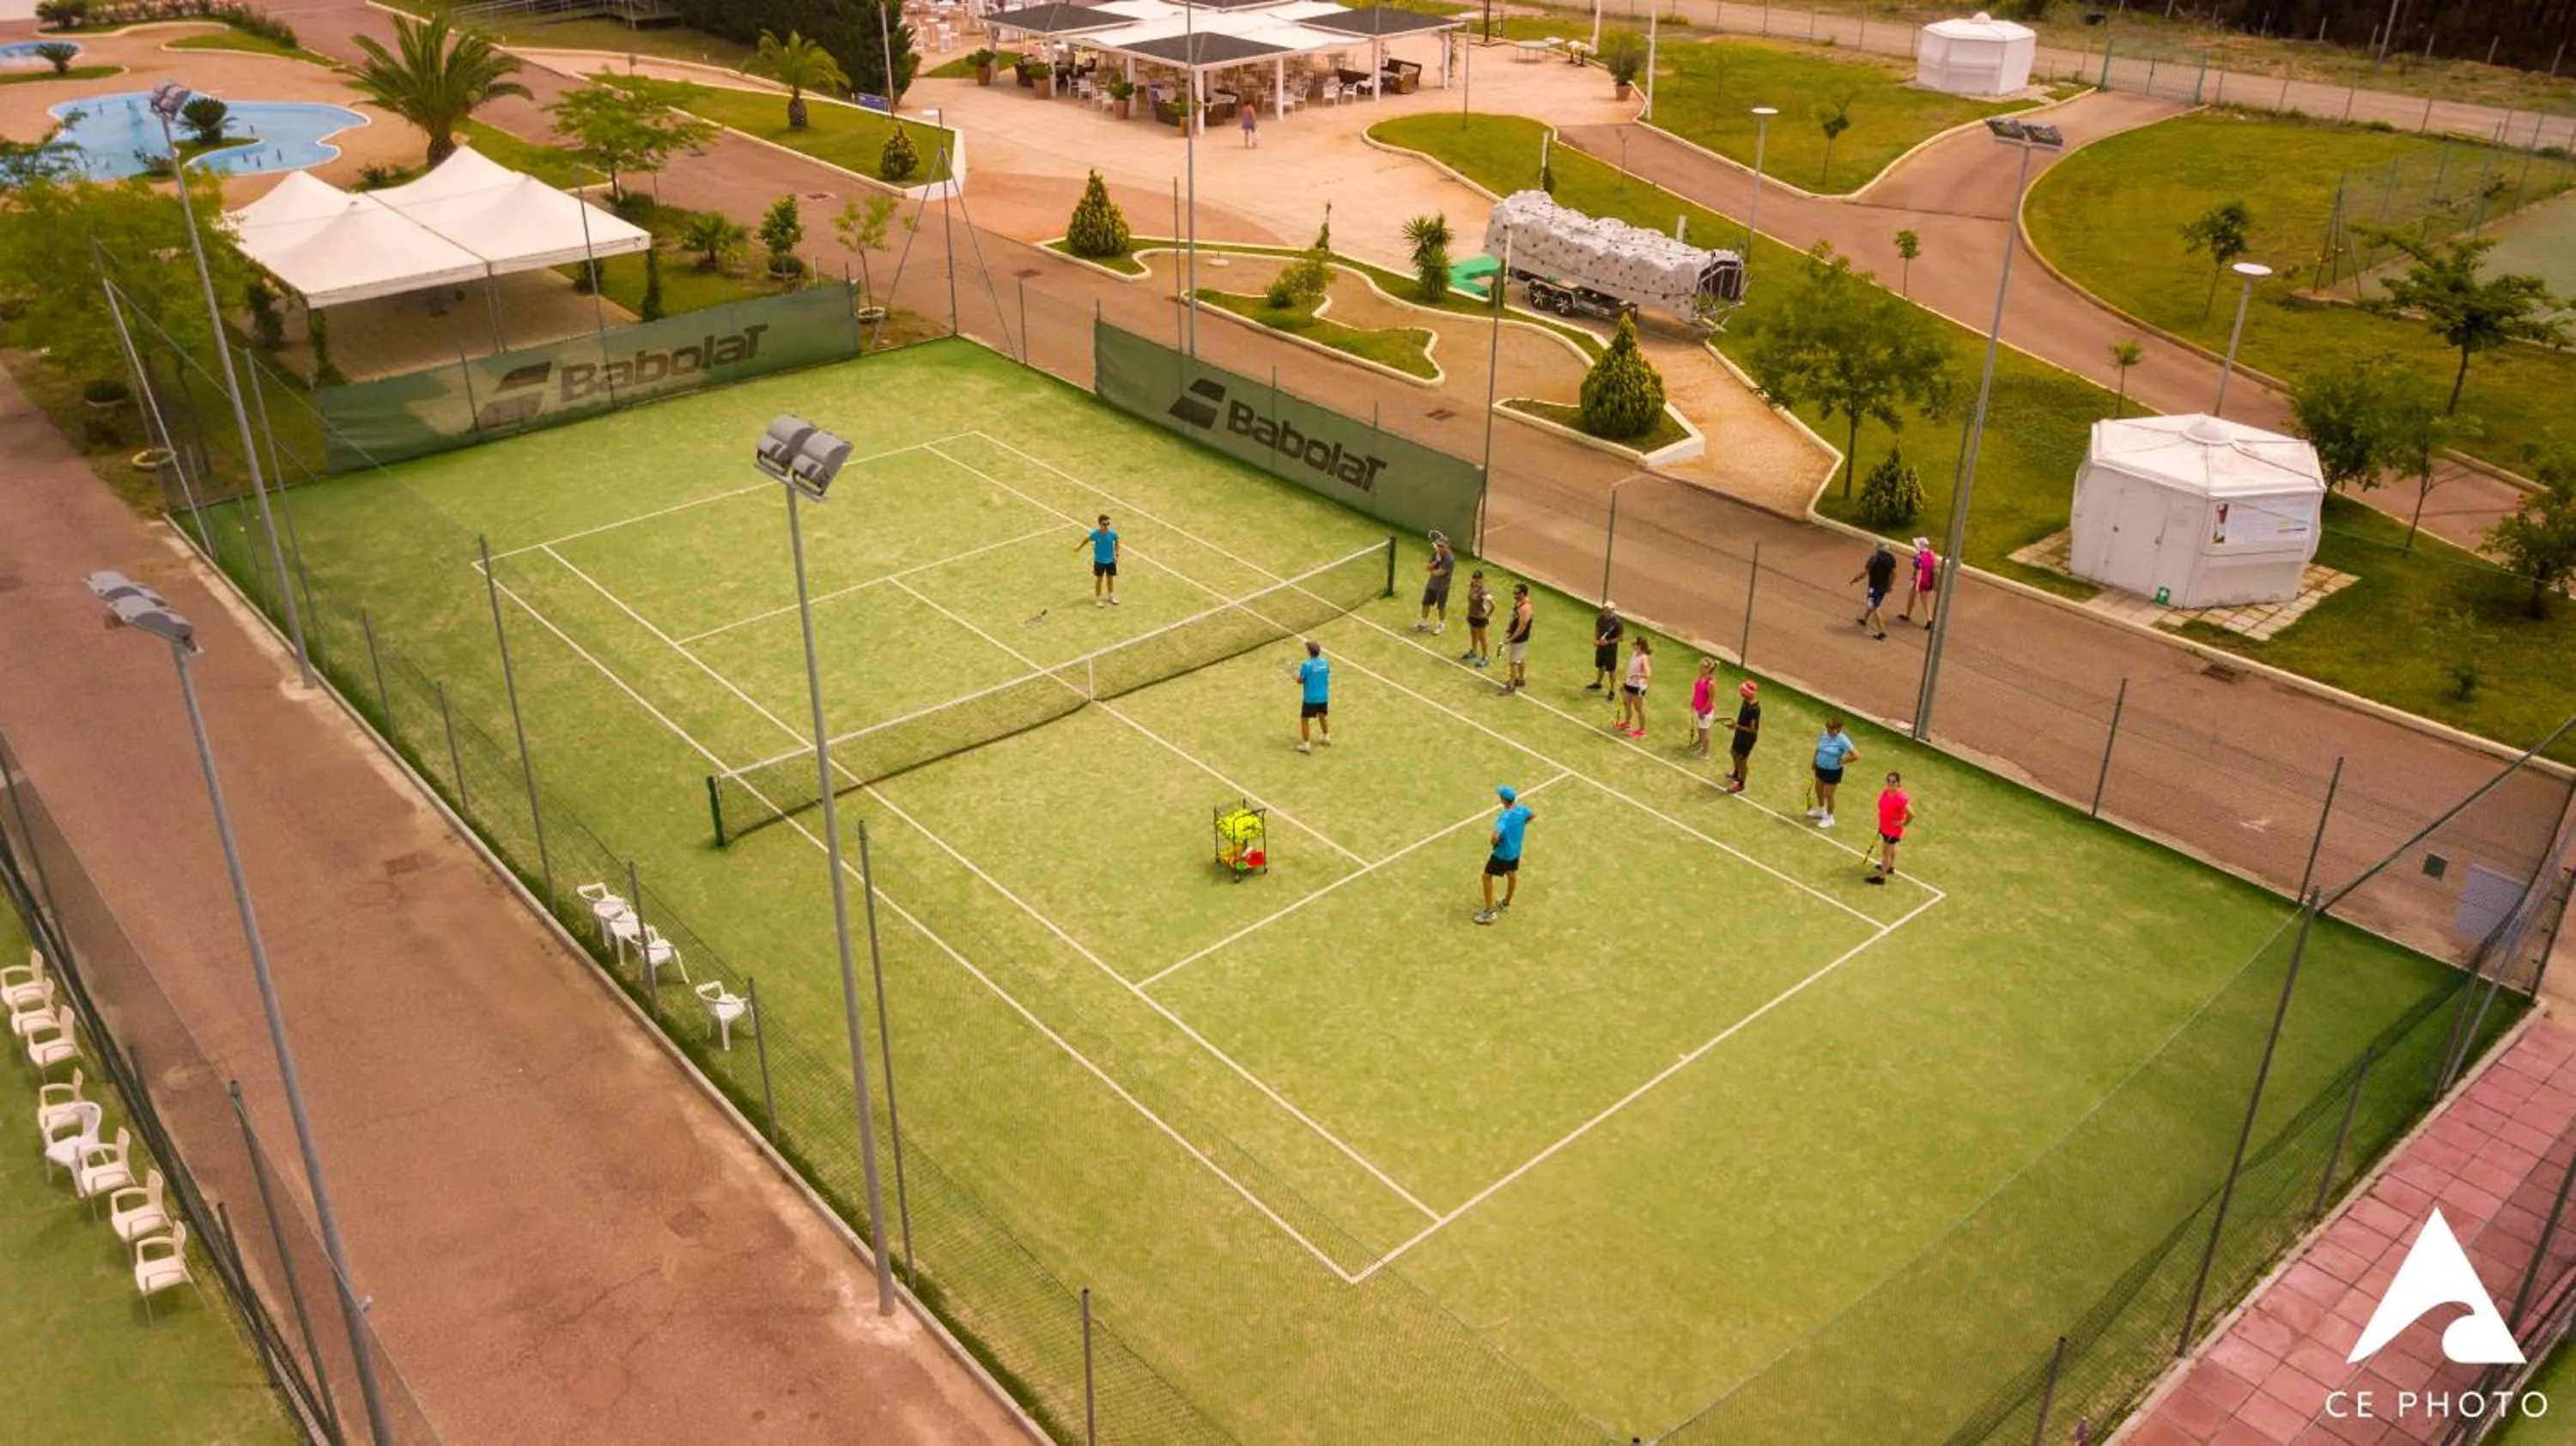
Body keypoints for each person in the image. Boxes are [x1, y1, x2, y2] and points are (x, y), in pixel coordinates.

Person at [1474, 784, 1534, 924]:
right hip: (1515, 852)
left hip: (1501, 854)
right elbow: (1531, 816)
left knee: (1486, 877)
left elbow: (1495, 836)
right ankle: (1506, 903)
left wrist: (1494, 842)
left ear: (1503, 800)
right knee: (1511, 874)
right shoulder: (1522, 810)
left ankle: (1489, 913)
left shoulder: (1504, 817)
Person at [1810, 718, 1859, 828]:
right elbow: (1819, 748)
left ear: (1838, 729)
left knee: (1828, 795)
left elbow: (1856, 755)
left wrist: (1842, 761)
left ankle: (1829, 818)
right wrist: (1814, 760)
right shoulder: (1824, 735)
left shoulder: (1843, 740)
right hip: (1820, 767)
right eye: (1828, 728)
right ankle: (1821, 810)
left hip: (1833, 771)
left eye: (1832, 729)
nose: (1829, 731)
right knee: (1819, 790)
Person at [1867, 770, 1912, 884]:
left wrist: (1903, 823)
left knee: (1886, 852)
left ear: (1898, 783)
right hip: (1885, 827)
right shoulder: (1886, 792)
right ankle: (1890, 867)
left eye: (1894, 781)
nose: (1891, 783)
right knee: (1890, 848)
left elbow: (1911, 814)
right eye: (1889, 781)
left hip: (1893, 830)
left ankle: (1881, 878)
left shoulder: (1901, 798)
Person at [1852, 541, 1897, 641]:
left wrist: (1856, 579)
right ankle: (1864, 619)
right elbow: (1894, 574)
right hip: (1883, 587)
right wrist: (1890, 585)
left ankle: (1882, 631)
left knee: (1875, 606)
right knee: (1872, 603)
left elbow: (1865, 572)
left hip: (1874, 587)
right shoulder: (1891, 559)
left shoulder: (1873, 559)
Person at [1722, 678, 1761, 793]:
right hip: (1740, 734)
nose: (1740, 693)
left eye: (1742, 691)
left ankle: (1741, 784)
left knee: (1741, 760)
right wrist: (1736, 726)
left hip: (1747, 739)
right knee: (1733, 752)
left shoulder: (1754, 709)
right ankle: (1736, 774)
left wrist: (1736, 726)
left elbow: (1753, 730)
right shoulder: (1745, 701)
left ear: (1747, 694)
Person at [1292, 639, 1330, 753]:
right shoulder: (1325, 663)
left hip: (1310, 699)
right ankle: (1326, 737)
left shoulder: (1306, 665)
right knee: (1322, 715)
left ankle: (1306, 745)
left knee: (1304, 719)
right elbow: (1325, 674)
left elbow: (1300, 681)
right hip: (1323, 697)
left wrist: (1295, 677)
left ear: (1309, 652)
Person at [1613, 635, 1652, 738]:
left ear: (1639, 646)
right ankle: (1627, 723)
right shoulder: (1634, 654)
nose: (1632, 645)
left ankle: (1642, 731)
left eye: (1634, 644)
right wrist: (1625, 683)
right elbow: (1630, 670)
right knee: (1627, 704)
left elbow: (1648, 674)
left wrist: (1637, 675)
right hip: (1629, 684)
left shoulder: (1643, 658)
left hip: (1638, 687)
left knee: (1638, 708)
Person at [1077, 513, 1120, 605]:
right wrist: (1079, 548)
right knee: (1099, 580)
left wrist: (1116, 555)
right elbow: (1087, 540)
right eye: (1104, 524)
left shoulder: (1113, 533)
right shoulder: (1095, 534)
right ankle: (1098, 598)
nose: (1106, 526)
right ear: (1100, 524)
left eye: (1108, 524)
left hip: (1110, 561)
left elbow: (1117, 542)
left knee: (1110, 578)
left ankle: (1111, 596)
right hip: (1099, 561)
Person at [1416, 534, 1455, 635]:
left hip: (1443, 587)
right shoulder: (1436, 554)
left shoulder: (1450, 559)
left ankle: (1441, 625)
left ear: (1447, 546)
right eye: (1438, 546)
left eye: (1441, 546)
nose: (1439, 548)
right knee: (1425, 603)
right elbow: (1428, 567)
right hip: (1432, 584)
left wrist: (1432, 569)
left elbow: (1439, 573)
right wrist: (1436, 562)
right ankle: (1424, 623)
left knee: (1441, 607)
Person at [1499, 584, 1533, 695]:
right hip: (1517, 636)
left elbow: (1522, 627)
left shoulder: (1525, 608)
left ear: (1523, 594)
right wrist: (1509, 628)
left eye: (1517, 593)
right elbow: (1514, 618)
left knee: (1513, 662)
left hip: (1520, 637)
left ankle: (1511, 685)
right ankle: (1521, 680)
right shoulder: (1518, 603)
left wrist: (1511, 638)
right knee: (1520, 658)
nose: (1514, 595)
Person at [1900, 536, 1939, 630]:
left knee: (1911, 597)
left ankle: (1907, 615)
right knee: (1925, 601)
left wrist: (1916, 586)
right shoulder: (1931, 554)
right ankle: (1929, 619)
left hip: (1919, 581)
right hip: (1928, 581)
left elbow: (1918, 572)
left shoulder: (1918, 558)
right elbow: (1934, 565)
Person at [1589, 600, 1624, 691]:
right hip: (1601, 647)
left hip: (1611, 650)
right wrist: (1596, 639)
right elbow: (1597, 626)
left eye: (1608, 610)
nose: (1606, 611)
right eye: (1605, 609)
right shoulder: (1601, 617)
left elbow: (1620, 638)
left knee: (1611, 670)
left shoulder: (1617, 623)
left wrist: (1608, 642)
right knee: (1600, 666)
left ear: (1613, 610)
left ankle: (1612, 690)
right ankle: (1598, 683)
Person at [1461, 570, 1495, 667]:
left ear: (1482, 579)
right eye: (1474, 579)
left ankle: (1485, 658)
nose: (1476, 581)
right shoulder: (1472, 586)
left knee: (1482, 638)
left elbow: (1493, 605)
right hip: (1471, 616)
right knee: (1473, 635)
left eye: (1478, 579)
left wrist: (1488, 616)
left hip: (1480, 618)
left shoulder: (1484, 591)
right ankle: (1473, 652)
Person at [1688, 658, 1718, 759]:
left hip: (1705, 712)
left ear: (1707, 669)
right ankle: (1700, 744)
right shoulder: (1701, 677)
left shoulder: (1711, 683)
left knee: (1705, 732)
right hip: (1698, 709)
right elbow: (1697, 689)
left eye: (1701, 667)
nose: (1699, 668)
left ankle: (1705, 753)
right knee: (1700, 728)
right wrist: (1693, 701)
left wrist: (1702, 711)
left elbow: (1711, 700)